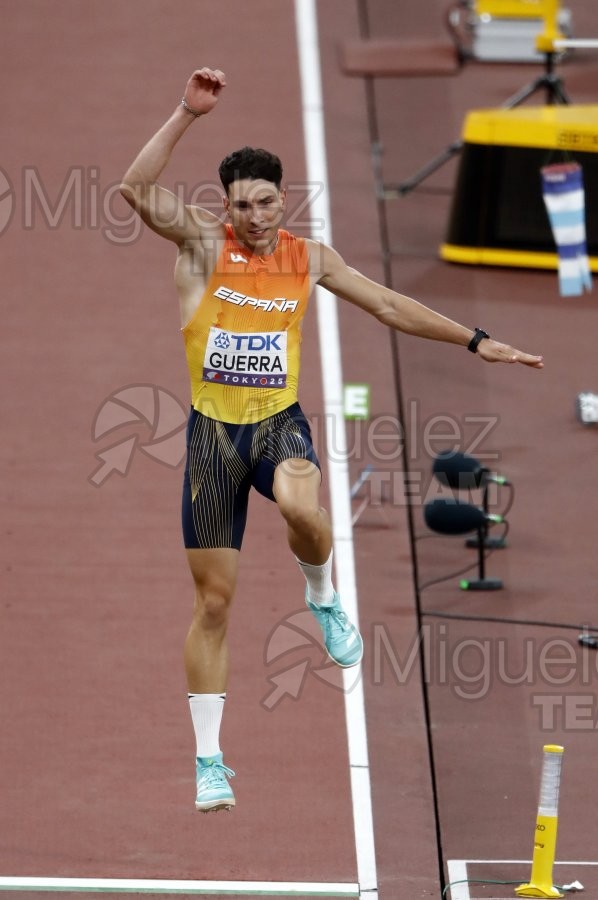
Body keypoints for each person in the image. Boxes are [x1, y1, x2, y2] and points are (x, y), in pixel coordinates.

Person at [120, 67, 544, 814]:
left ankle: (321, 596)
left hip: (278, 422)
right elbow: (133, 186)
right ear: (226, 206)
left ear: (285, 198)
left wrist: (477, 341)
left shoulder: (308, 259)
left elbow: (387, 303)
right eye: (241, 204)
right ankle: (210, 761)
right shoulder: (199, 244)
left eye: (265, 201)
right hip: (213, 438)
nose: (253, 214)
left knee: (302, 509)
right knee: (214, 604)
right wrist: (187, 112)